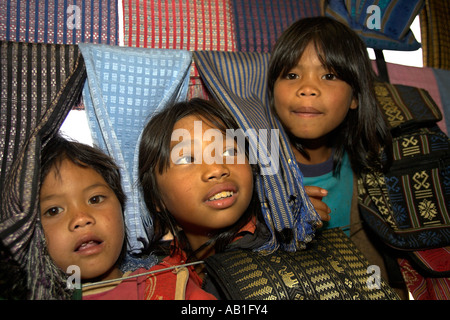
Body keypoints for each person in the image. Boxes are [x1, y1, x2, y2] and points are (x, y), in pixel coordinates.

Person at [266, 17, 408, 297]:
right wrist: (270, 222)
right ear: (271, 91)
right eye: (292, 75)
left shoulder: (374, 170)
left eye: (329, 76)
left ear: (355, 97)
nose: (307, 88)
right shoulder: (249, 169)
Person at [39, 135, 215, 299]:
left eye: (95, 199)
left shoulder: (172, 283)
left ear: (121, 207)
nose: (81, 218)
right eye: (54, 210)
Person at [138, 98, 270, 298]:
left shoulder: (274, 254)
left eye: (229, 151)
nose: (216, 169)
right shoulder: (152, 274)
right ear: (157, 198)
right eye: (187, 158)